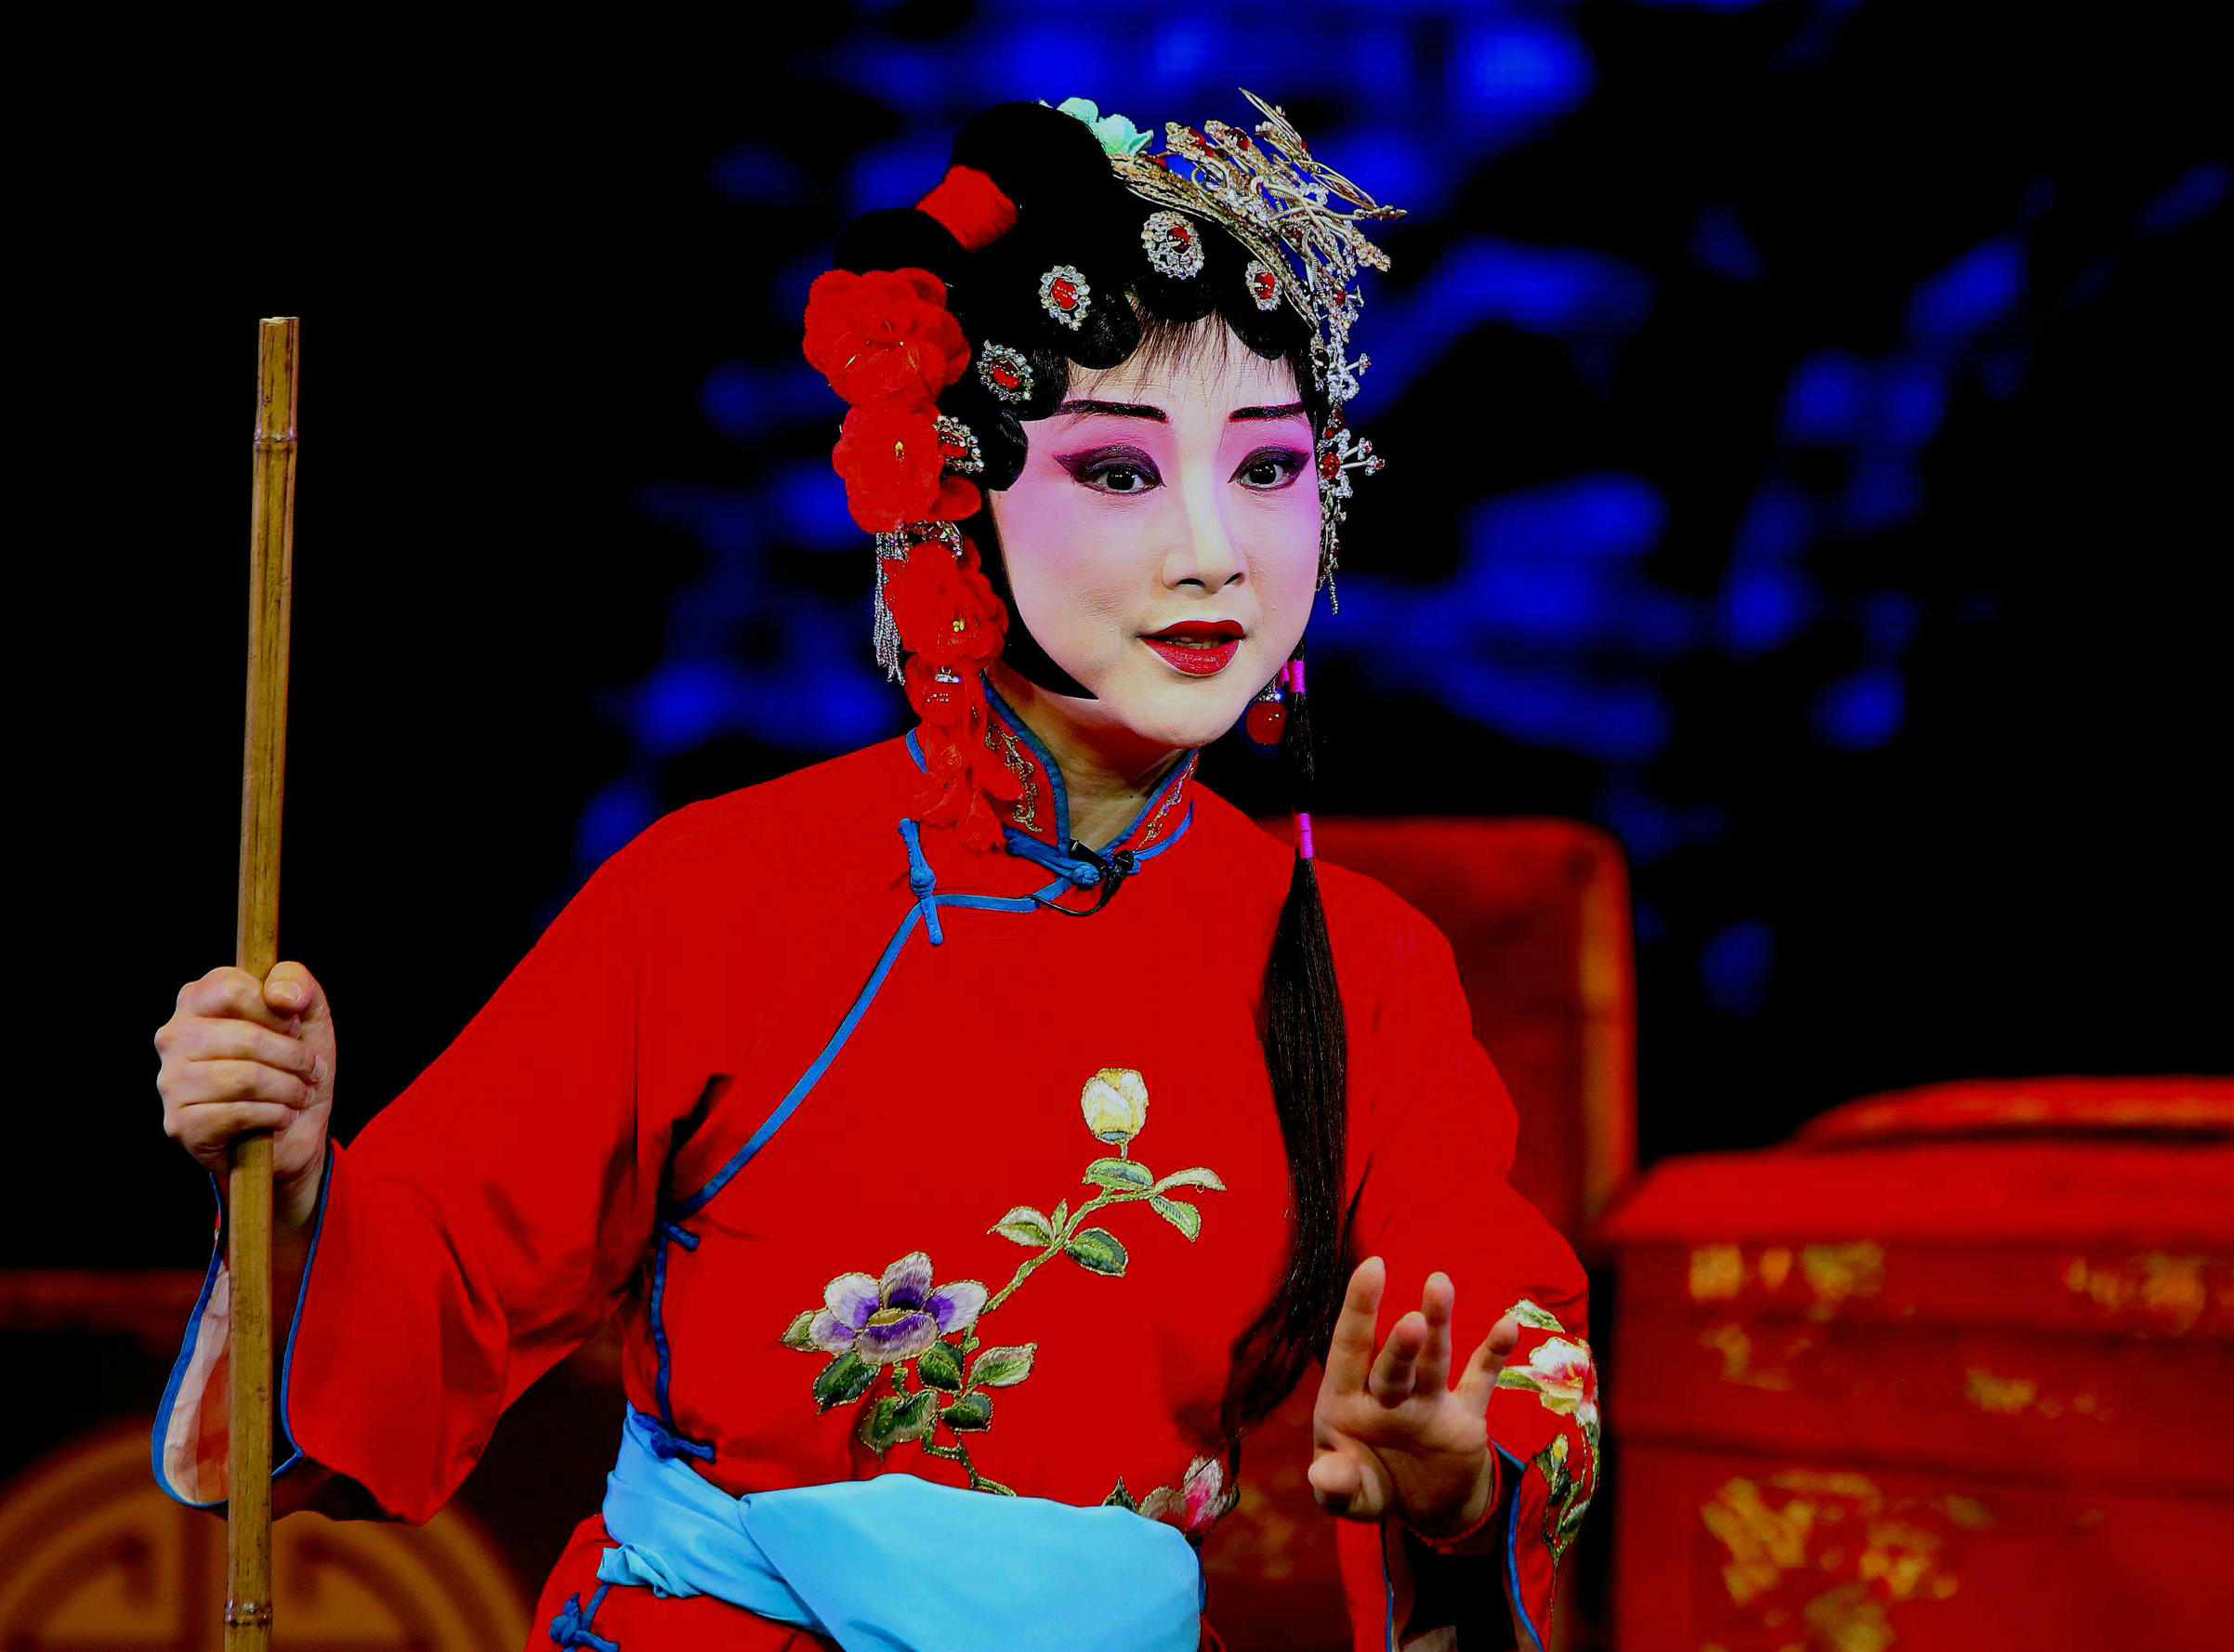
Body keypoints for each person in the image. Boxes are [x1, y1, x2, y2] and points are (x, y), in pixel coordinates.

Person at [151, 93, 1599, 1652]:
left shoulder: (1356, 967)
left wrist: (1460, 1468)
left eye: (1267, 468)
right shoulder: (719, 897)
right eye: (1120, 472)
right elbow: (438, 1271)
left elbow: (1492, 1327)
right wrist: (294, 1184)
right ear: (950, 496)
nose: (1215, 550)